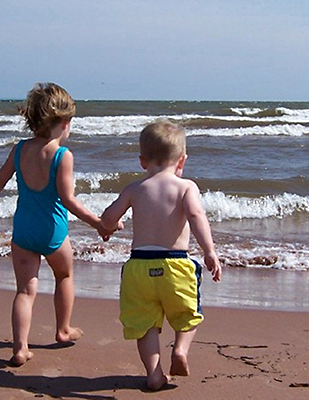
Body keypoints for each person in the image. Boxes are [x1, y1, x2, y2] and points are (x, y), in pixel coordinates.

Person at [0, 82, 116, 367]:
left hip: (24, 233)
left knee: (25, 291)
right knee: (64, 276)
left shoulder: (20, 150)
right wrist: (99, 224)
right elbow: (69, 201)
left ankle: (20, 348)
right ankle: (63, 330)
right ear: (64, 123)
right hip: (53, 233)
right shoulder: (62, 156)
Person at [100, 119, 222, 391]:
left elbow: (109, 217)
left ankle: (154, 373)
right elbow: (196, 215)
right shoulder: (186, 187)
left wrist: (109, 227)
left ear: (142, 161)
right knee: (187, 314)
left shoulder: (134, 189)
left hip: (139, 268)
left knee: (145, 324)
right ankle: (180, 350)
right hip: (176, 265)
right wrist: (209, 250)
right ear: (182, 161)